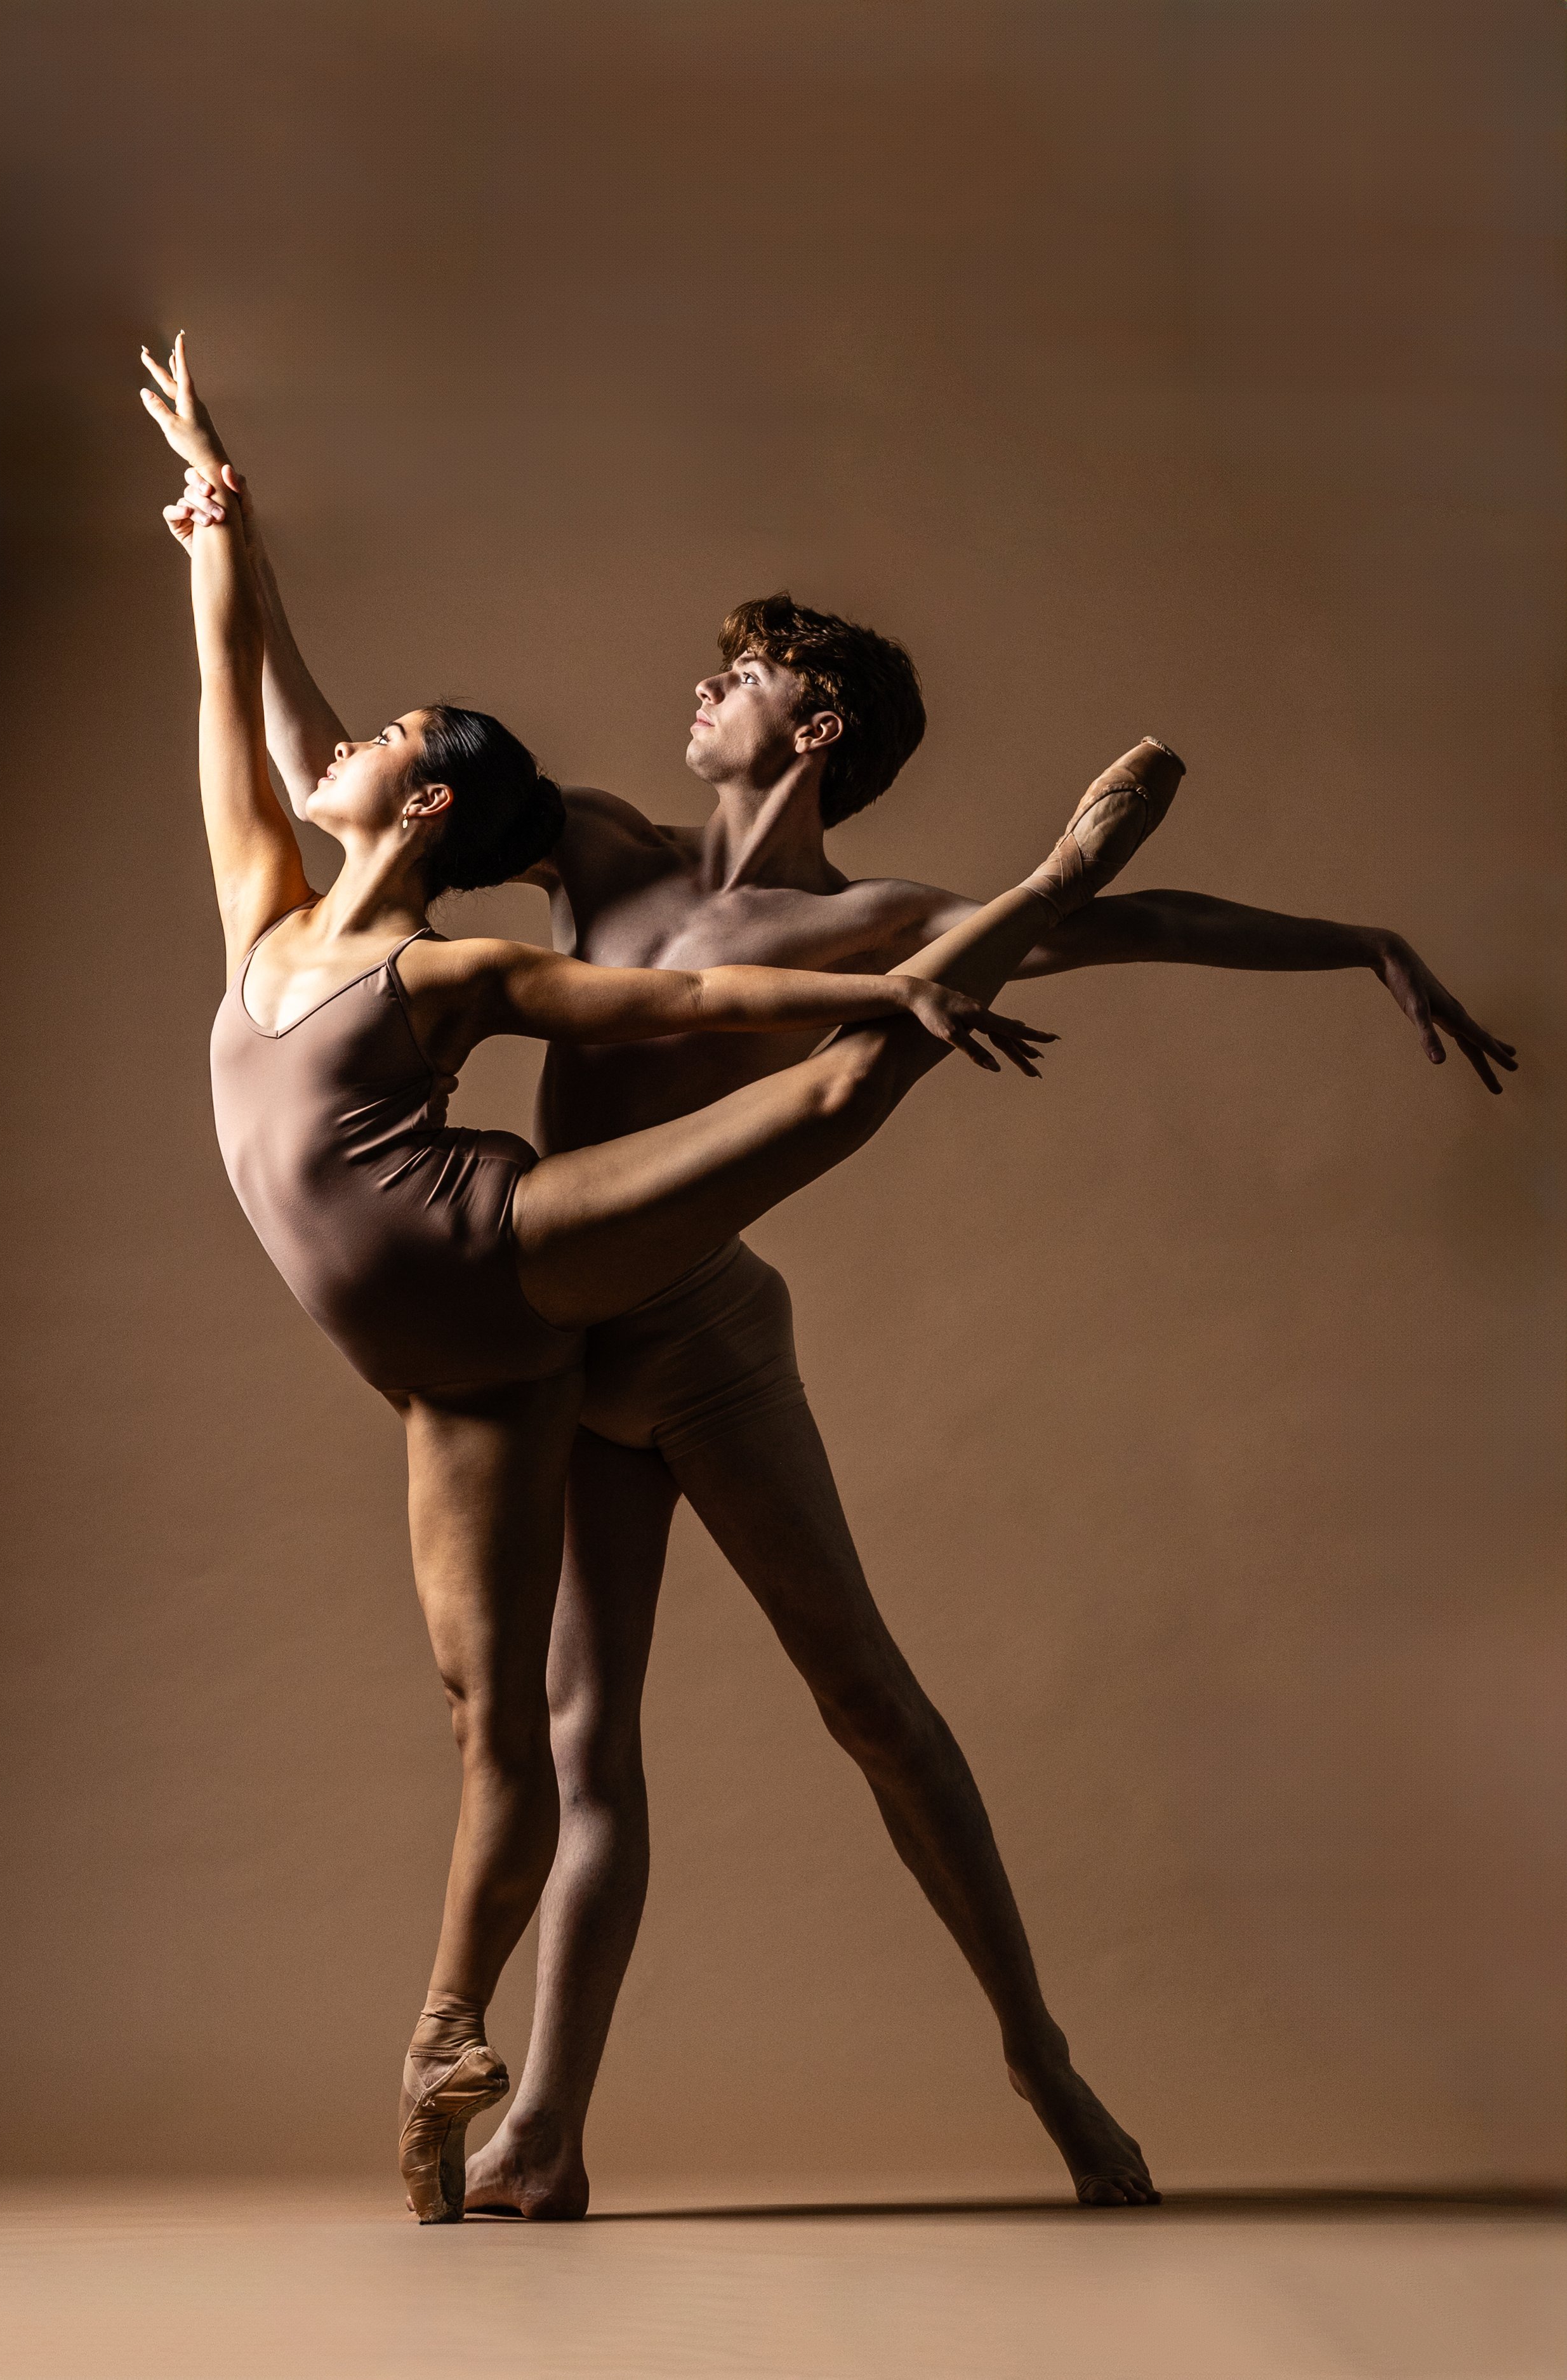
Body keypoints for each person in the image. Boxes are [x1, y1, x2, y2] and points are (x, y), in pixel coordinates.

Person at [162, 409, 1515, 2225]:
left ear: (811, 731)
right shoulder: (594, 845)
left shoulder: (873, 917)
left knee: (865, 1699)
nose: (702, 686)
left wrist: (1355, 943)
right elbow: (349, 778)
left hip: (696, 1336)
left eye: (740, 677)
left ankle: (1040, 2055)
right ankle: (543, 2128)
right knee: (581, 1740)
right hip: (554, 1332)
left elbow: (1138, 921)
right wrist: (236, 556)